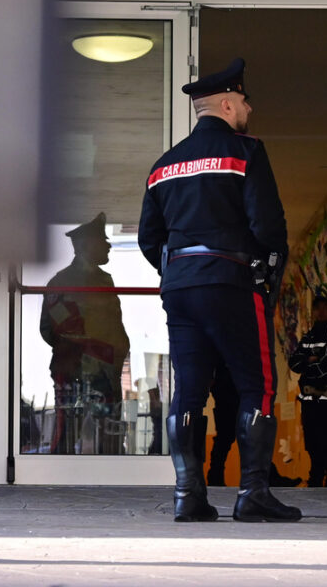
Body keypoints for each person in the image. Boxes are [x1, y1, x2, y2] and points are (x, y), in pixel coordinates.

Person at [138, 58, 301, 522]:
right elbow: (268, 225)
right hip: (231, 282)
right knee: (258, 386)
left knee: (188, 390)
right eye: (245, 100)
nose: (248, 107)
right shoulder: (245, 151)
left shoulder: (163, 165)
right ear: (228, 103)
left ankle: (188, 496)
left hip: (180, 289)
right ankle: (253, 494)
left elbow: (151, 239)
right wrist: (266, 277)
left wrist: (180, 273)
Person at [39, 212, 130, 454]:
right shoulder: (62, 282)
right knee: (67, 431)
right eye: (102, 241)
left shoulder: (104, 281)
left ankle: (111, 482)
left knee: (110, 434)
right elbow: (50, 329)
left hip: (106, 369)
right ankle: (59, 482)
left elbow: (113, 325)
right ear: (86, 245)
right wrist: (81, 351)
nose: (108, 246)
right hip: (75, 369)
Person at [208, 364, 302, 488]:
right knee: (231, 437)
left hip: (233, 386)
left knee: (244, 436)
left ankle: (216, 477)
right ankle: (216, 477)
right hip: (229, 387)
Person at [288, 295, 327, 487]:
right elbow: (294, 362)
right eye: (317, 308)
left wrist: (308, 366)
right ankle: (315, 477)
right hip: (308, 400)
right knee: (312, 440)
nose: (321, 312)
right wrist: (309, 361)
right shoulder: (308, 336)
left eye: (325, 307)